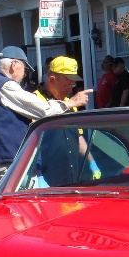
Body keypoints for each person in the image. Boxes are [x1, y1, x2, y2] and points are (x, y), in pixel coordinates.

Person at [0, 46, 91, 193]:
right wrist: (71, 103)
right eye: (25, 68)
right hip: (8, 163)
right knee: (22, 206)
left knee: (4, 206)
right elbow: (44, 110)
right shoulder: (6, 85)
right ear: (14, 64)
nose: (25, 74)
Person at [32, 56, 99, 186]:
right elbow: (32, 144)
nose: (70, 90)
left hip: (72, 177)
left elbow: (77, 136)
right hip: (47, 179)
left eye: (72, 85)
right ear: (52, 79)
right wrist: (37, 174)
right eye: (67, 85)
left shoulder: (69, 103)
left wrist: (91, 162)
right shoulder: (35, 102)